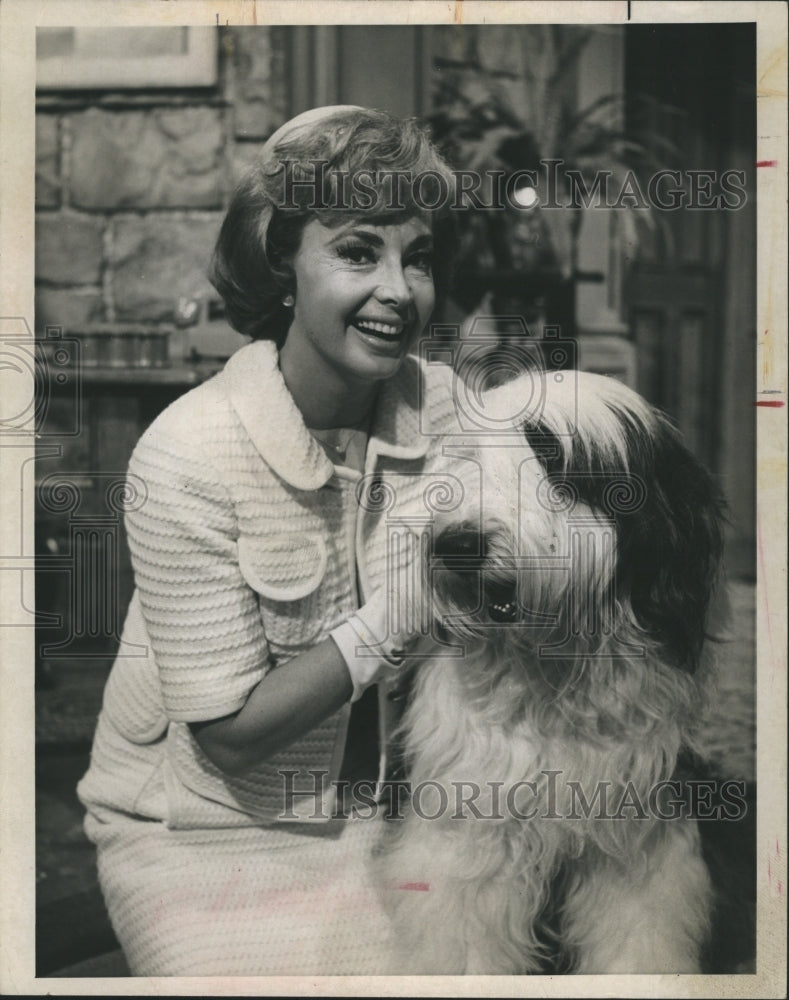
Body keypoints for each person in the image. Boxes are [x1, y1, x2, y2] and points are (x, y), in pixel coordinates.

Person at [77, 105, 462, 976]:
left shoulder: (441, 408)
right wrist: (398, 615)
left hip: (394, 812)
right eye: (359, 251)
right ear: (281, 263)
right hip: (204, 831)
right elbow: (232, 737)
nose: (399, 290)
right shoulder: (188, 450)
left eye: (418, 256)